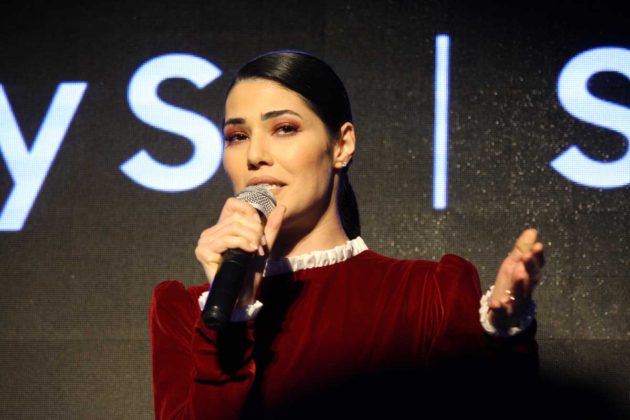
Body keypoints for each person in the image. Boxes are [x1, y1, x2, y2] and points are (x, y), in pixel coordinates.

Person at [149, 50, 544, 419]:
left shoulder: (427, 293)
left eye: (284, 128)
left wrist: (506, 339)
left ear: (341, 145)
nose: (254, 156)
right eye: (237, 136)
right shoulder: (188, 312)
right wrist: (232, 319)